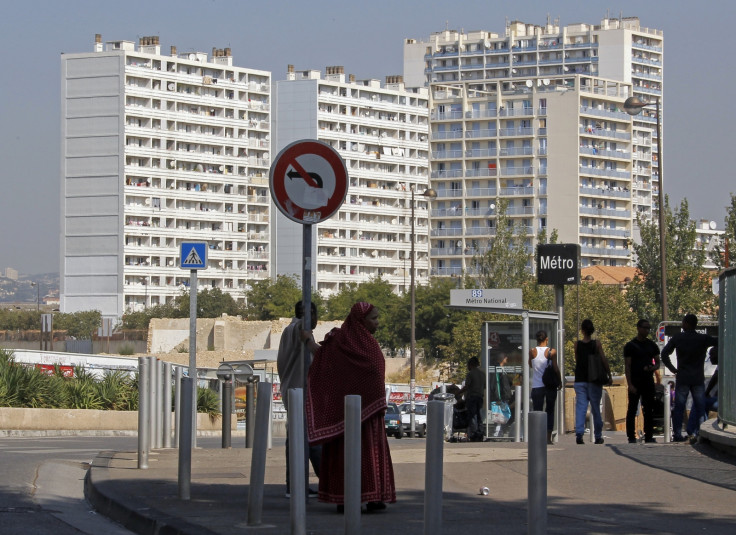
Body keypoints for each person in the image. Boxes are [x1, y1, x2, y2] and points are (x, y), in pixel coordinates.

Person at [305, 302, 395, 513]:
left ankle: (373, 497)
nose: (377, 323)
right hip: (344, 416)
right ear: (360, 320)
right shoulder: (340, 341)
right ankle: (345, 499)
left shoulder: (367, 343)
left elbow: (371, 373)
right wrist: (308, 342)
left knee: (369, 455)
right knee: (347, 455)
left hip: (368, 415)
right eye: (373, 318)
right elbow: (326, 362)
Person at [277, 301, 321, 498]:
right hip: (298, 393)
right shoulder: (297, 330)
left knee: (307, 439)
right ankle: (295, 486)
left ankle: (298, 484)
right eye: (309, 314)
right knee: (302, 439)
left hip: (299, 392)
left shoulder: (294, 331)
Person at [661, 314, 718, 442]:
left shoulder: (678, 338)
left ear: (686, 323)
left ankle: (677, 434)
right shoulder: (702, 339)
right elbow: (718, 342)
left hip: (683, 376)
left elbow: (664, 353)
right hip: (697, 377)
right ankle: (700, 433)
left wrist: (672, 369)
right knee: (700, 406)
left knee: (679, 407)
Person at [574, 319, 612, 445]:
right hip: (594, 379)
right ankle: (598, 435)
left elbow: (577, 360)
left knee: (581, 407)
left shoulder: (577, 344)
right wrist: (609, 374)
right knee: (595, 407)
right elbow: (603, 359)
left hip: (580, 379)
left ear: (582, 330)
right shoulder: (596, 344)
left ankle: (579, 434)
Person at [624, 319, 661, 444]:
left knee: (649, 409)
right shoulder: (630, 346)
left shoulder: (652, 345)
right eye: (645, 328)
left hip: (648, 381)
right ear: (638, 328)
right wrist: (630, 384)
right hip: (635, 381)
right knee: (632, 409)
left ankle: (649, 435)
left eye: (648, 328)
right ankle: (631, 436)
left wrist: (653, 367)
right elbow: (627, 366)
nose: (647, 330)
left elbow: (658, 362)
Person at [529, 330, 561, 445]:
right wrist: (560, 381)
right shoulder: (551, 352)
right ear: (546, 339)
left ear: (537, 340)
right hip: (549, 386)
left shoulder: (532, 351)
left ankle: (538, 437)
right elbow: (556, 368)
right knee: (550, 411)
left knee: (537, 411)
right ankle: (548, 438)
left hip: (537, 386)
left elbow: (531, 365)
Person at [458, 356, 486, 442]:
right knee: (479, 416)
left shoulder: (470, 374)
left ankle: (474, 434)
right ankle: (480, 433)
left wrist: (458, 393)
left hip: (472, 397)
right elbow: (485, 386)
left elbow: (466, 387)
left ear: (471, 365)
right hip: (480, 397)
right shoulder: (482, 374)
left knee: (472, 416)